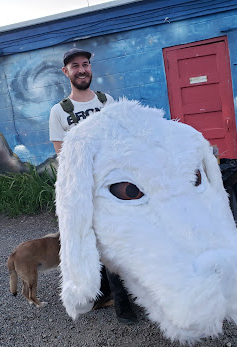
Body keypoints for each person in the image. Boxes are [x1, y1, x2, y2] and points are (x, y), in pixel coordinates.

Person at [49, 48, 137, 324]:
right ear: (66, 72)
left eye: (85, 64)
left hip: (114, 184)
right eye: (75, 66)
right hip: (85, 190)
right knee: (93, 243)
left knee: (120, 241)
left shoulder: (106, 101)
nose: (82, 69)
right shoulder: (60, 112)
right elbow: (62, 155)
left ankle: (125, 301)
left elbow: (119, 139)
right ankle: (109, 299)